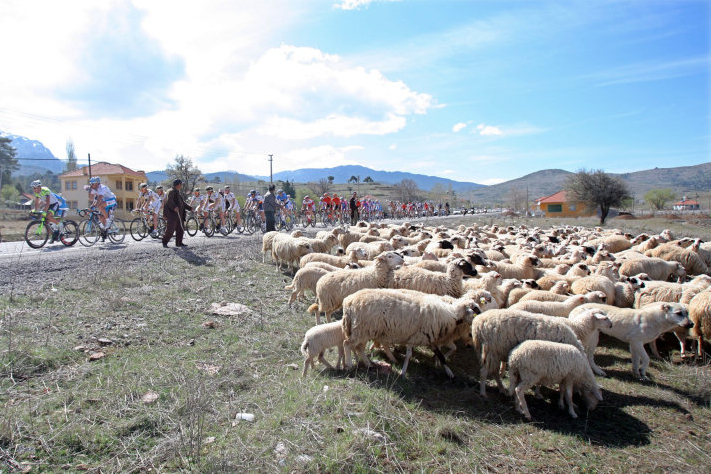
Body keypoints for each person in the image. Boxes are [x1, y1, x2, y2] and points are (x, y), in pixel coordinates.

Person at [162, 179, 192, 248]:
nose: (181, 186)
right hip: (172, 214)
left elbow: (182, 203)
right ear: (178, 185)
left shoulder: (177, 192)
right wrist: (174, 207)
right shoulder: (171, 191)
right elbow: (169, 201)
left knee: (180, 229)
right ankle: (164, 242)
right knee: (170, 229)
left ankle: (179, 243)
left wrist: (190, 208)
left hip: (179, 215)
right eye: (181, 184)